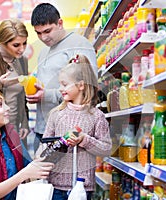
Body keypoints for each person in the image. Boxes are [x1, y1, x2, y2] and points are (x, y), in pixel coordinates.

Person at [38, 54, 112, 200]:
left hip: (83, 188)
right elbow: (43, 149)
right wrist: (58, 144)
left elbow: (106, 149)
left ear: (81, 85)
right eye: (60, 84)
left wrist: (85, 140)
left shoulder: (96, 116)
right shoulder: (56, 114)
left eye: (64, 85)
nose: (60, 89)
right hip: (56, 187)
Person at [28, 2, 98, 153]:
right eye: (38, 33)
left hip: (68, 131)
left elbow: (88, 89)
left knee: (66, 175)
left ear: (60, 23)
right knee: (42, 175)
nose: (43, 37)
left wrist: (46, 95)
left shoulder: (80, 45)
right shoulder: (43, 52)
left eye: (47, 31)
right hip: (42, 129)